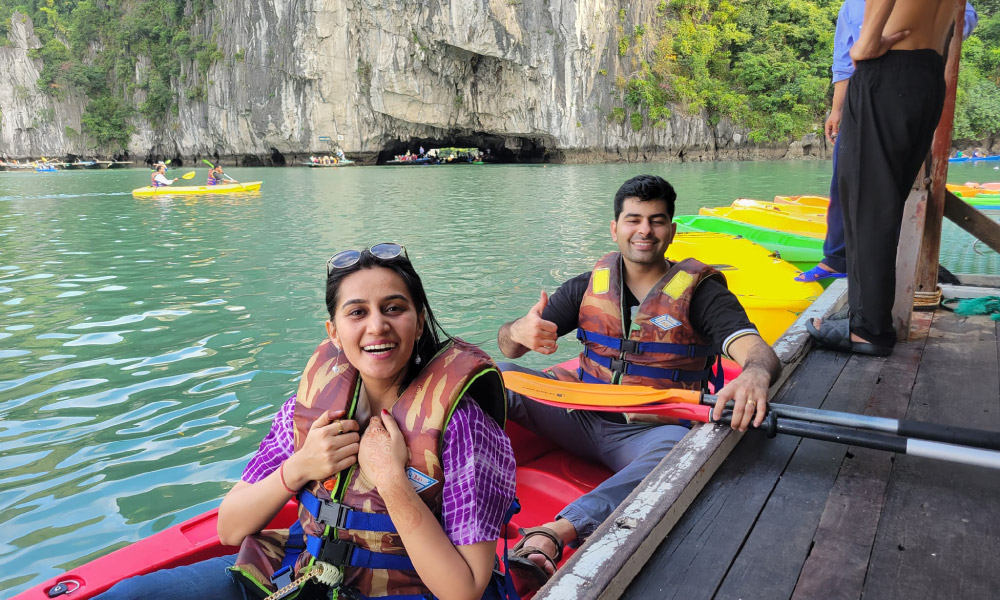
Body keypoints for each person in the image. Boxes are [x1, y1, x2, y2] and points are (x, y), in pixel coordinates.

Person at [97, 244, 517, 600]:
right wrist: (301, 466)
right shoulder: (310, 409)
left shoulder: (463, 425)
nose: (377, 326)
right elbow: (230, 528)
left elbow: (464, 590)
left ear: (419, 321)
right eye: (357, 312)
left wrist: (392, 481)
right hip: (300, 572)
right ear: (333, 332)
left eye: (394, 308)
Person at [496, 175, 781, 591]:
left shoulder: (701, 294)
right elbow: (511, 348)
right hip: (580, 415)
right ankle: (443, 481)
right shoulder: (586, 286)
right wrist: (517, 331)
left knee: (675, 451)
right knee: (495, 378)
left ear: (671, 230)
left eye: (656, 220)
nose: (644, 230)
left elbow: (757, 351)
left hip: (647, 434)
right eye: (634, 219)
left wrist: (755, 373)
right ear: (615, 228)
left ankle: (551, 537)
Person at [808, 0, 967, 357]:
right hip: (927, 71)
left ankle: (869, 329)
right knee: (884, 201)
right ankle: (864, 317)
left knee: (867, 203)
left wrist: (866, 43)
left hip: (888, 67)